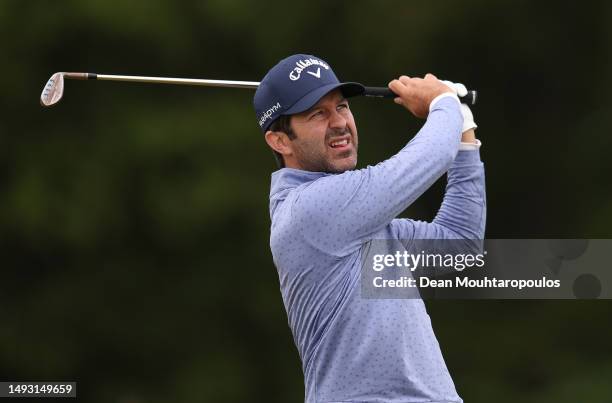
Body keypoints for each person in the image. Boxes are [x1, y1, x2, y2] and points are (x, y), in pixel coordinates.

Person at [254, 54, 485, 403]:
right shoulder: (308, 211)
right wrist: (443, 103)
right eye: (317, 113)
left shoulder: (358, 223)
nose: (338, 122)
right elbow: (430, 156)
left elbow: (459, 245)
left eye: (342, 106)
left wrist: (463, 130)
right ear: (280, 141)